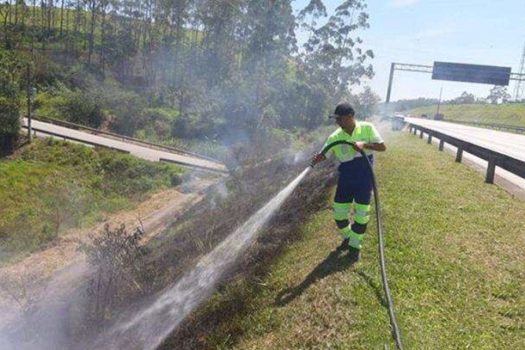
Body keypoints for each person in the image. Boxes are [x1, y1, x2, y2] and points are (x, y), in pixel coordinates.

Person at [311, 102, 386, 262]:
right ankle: (348, 237)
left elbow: (382, 147)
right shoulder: (335, 137)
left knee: (361, 215)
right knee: (339, 214)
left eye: (340, 119)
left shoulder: (367, 128)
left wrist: (364, 144)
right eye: (336, 119)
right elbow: (325, 152)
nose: (338, 122)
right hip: (346, 177)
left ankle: (354, 246)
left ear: (351, 116)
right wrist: (319, 157)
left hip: (365, 178)